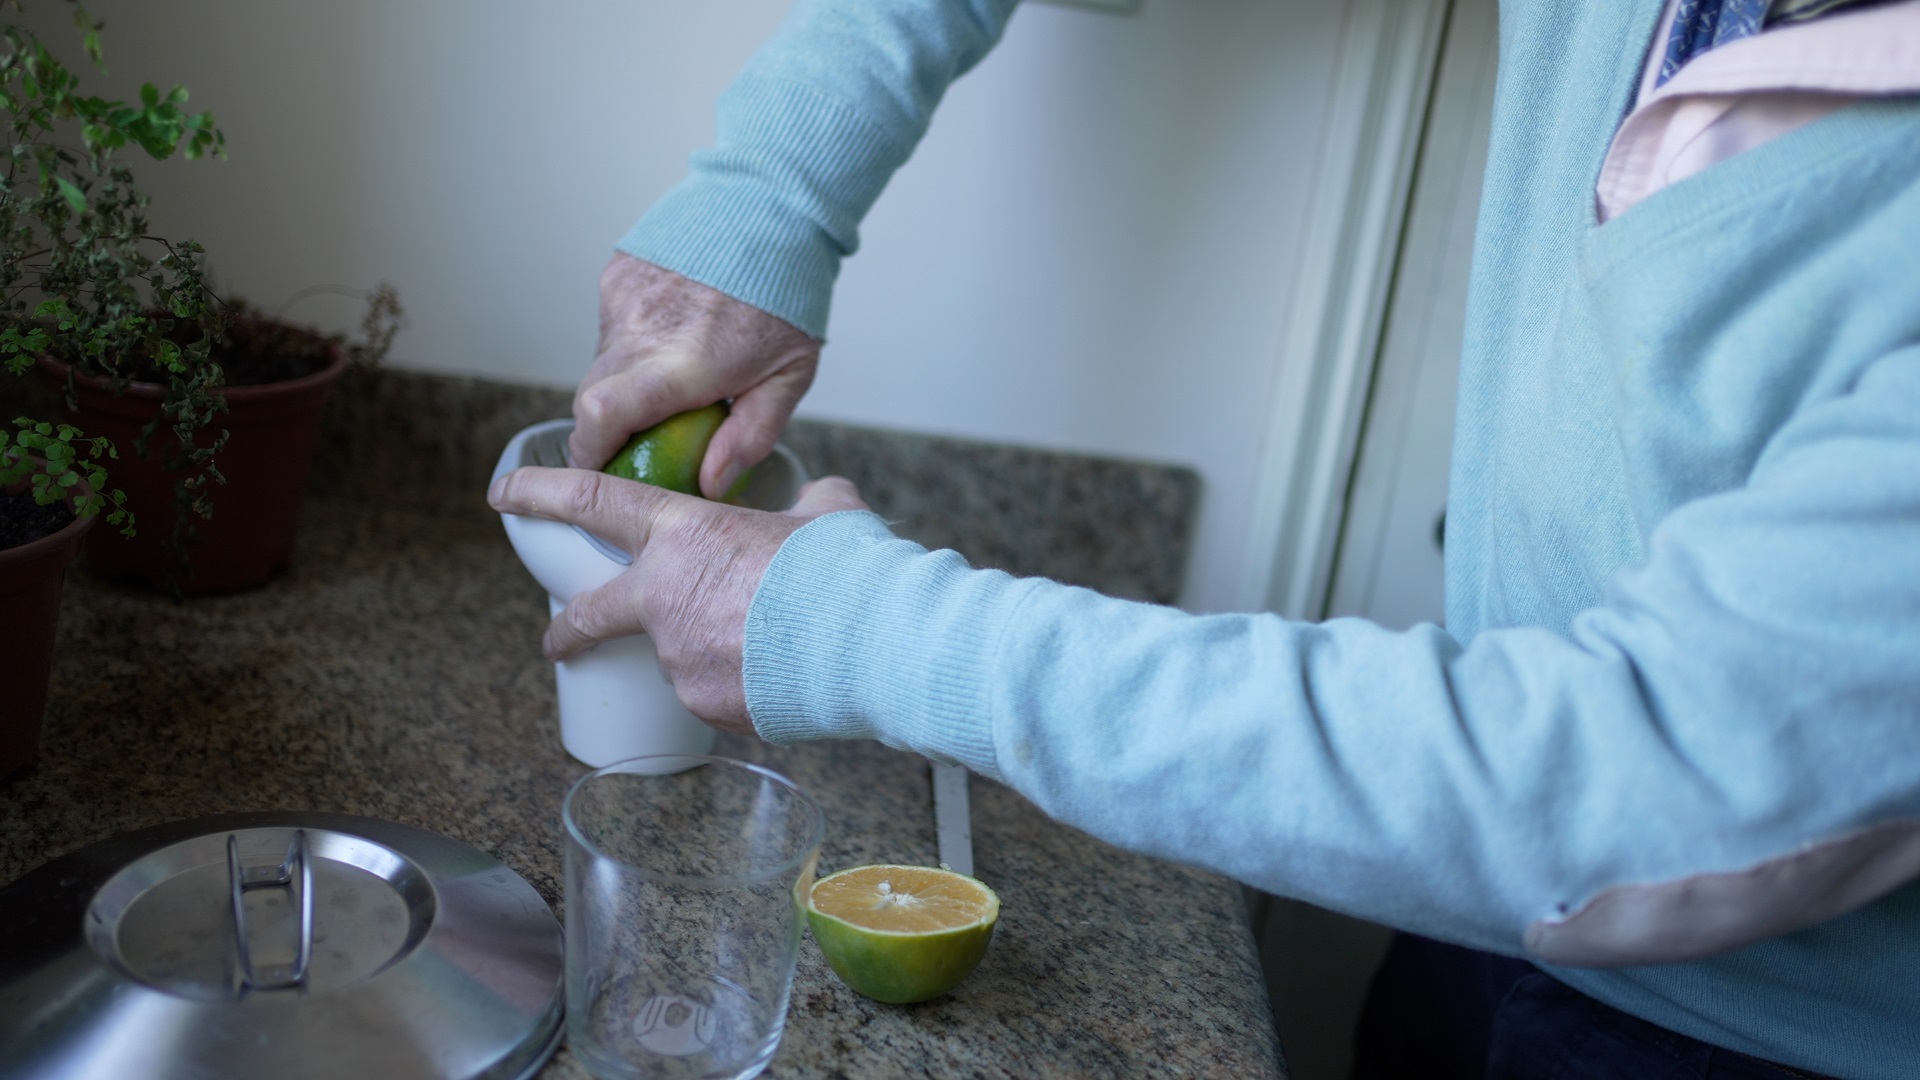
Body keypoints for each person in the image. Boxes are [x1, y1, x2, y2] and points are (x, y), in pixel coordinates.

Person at [487, 1, 1920, 1076]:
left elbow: (1638, 787)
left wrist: (854, 628)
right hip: (1450, 908)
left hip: (1780, 1035)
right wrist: (770, 198)